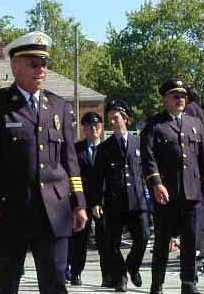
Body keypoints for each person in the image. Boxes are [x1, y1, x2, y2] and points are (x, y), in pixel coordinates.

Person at [0, 31, 87, 294]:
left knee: (55, 283)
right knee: (7, 282)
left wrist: (78, 203)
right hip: (12, 210)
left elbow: (70, 161)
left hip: (54, 211)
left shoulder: (58, 107)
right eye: (33, 63)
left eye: (44, 63)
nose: (41, 69)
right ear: (15, 65)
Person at [141, 78, 204, 294]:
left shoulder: (195, 124)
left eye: (182, 96)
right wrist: (156, 183)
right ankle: (157, 284)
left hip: (192, 192)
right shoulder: (155, 125)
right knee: (163, 241)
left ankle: (188, 283)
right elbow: (148, 157)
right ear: (166, 100)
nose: (180, 99)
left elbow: (203, 158)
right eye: (175, 96)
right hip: (167, 193)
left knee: (190, 242)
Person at [90, 99, 149, 292]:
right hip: (115, 201)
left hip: (137, 199)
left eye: (115, 118)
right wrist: (96, 202)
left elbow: (147, 170)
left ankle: (132, 265)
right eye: (110, 119)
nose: (112, 122)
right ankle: (121, 277)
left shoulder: (139, 143)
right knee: (112, 242)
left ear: (126, 119)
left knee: (144, 236)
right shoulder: (105, 147)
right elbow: (97, 178)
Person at [70, 111, 112, 287]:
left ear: (101, 128)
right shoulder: (76, 149)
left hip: (103, 201)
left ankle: (107, 275)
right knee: (79, 240)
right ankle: (76, 273)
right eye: (89, 126)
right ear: (84, 129)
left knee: (105, 240)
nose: (93, 129)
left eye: (96, 126)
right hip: (82, 200)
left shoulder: (109, 148)